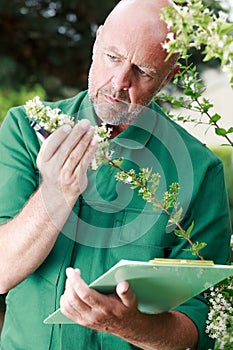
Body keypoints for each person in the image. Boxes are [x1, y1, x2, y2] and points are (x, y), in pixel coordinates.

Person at [0, 0, 231, 349]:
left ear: (169, 76)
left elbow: (202, 329)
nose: (119, 82)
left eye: (143, 71)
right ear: (97, 44)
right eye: (112, 56)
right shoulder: (24, 129)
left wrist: (130, 325)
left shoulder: (199, 170)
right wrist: (56, 192)